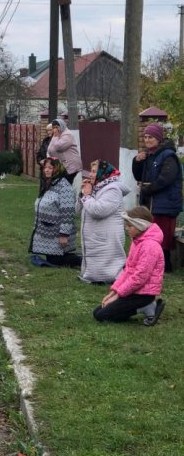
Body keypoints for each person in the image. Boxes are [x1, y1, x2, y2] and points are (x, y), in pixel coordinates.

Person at [93, 206, 165, 325]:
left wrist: (117, 296)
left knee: (102, 316)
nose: (126, 228)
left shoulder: (150, 246)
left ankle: (146, 306)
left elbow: (139, 277)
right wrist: (113, 292)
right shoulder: (137, 241)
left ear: (140, 225)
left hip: (143, 295)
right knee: (97, 312)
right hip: (134, 291)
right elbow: (128, 270)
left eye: (129, 226)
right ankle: (142, 308)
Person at [131, 122, 183, 273]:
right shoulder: (149, 155)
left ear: (158, 138)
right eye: (146, 137)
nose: (147, 140)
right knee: (151, 236)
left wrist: (148, 190)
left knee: (163, 238)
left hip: (164, 204)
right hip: (151, 202)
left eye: (151, 137)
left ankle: (165, 267)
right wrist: (137, 162)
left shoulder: (168, 156)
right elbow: (138, 176)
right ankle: (153, 265)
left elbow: (166, 178)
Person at [76, 160, 130, 284]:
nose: (90, 174)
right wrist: (82, 194)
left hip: (107, 237)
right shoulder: (97, 188)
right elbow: (78, 210)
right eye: (91, 171)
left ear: (103, 173)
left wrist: (87, 196)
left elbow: (98, 211)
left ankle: (110, 279)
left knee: (108, 263)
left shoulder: (113, 190)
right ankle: (93, 277)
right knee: (96, 263)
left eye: (94, 171)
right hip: (96, 236)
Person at [29, 157, 81, 267]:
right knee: (51, 258)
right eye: (45, 168)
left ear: (57, 169)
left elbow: (68, 212)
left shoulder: (64, 186)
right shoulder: (49, 183)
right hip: (48, 229)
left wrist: (64, 234)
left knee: (56, 260)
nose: (46, 170)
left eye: (50, 168)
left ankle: (84, 262)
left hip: (57, 232)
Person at [47, 118, 82, 184]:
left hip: (71, 166)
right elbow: (50, 149)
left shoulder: (67, 134)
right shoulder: (57, 135)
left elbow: (59, 147)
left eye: (57, 127)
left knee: (68, 184)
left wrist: (56, 136)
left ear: (61, 126)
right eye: (53, 128)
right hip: (63, 165)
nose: (55, 129)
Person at [35, 122, 54, 192]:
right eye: (47, 130)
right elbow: (39, 154)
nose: (49, 132)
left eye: (50, 130)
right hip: (43, 171)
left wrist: (48, 162)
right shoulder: (45, 141)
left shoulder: (58, 141)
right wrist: (40, 161)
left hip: (53, 171)